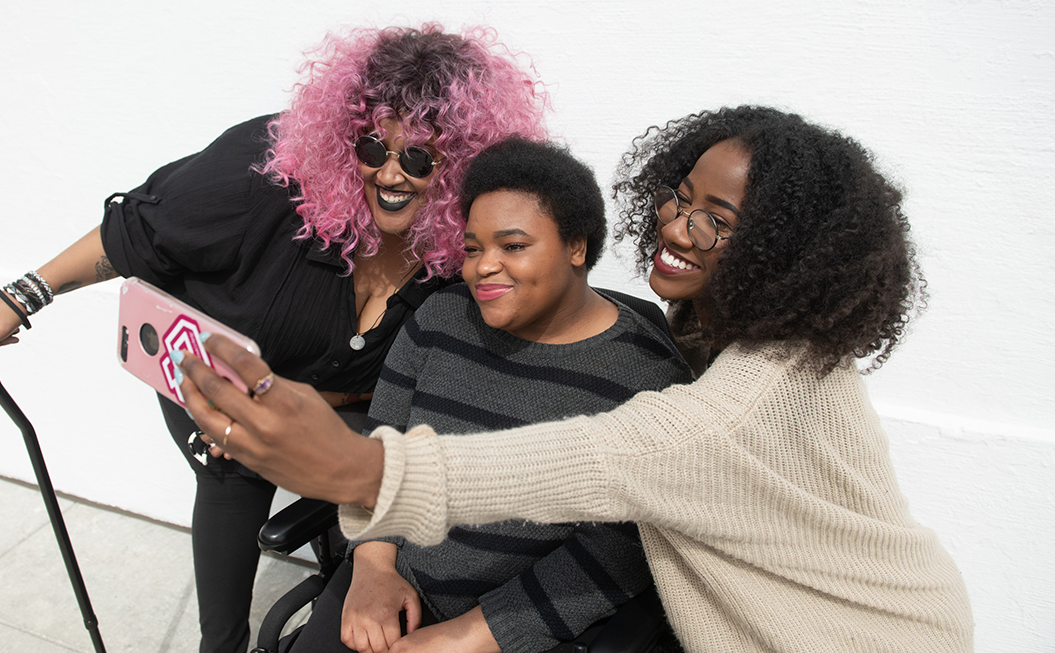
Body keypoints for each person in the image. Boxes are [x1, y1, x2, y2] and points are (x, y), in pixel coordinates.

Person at [174, 106, 975, 652]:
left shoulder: (728, 394)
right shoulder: (722, 328)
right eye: (681, 198)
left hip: (861, 630)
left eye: (718, 221)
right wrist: (374, 562)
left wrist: (359, 469)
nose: (676, 226)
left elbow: (595, 461)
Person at [0, 24, 548, 653]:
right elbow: (135, 233)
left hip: (348, 404)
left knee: (398, 467)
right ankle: (222, 646)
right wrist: (21, 295)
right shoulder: (264, 175)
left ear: (462, 164)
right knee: (231, 466)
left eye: (421, 158)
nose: (390, 173)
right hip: (216, 367)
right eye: (373, 147)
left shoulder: (468, 248)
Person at [277, 139, 690, 653]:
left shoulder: (646, 377)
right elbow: (382, 452)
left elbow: (619, 553)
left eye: (513, 247)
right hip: (390, 585)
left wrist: (469, 634)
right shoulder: (440, 320)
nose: (483, 267)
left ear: (577, 247)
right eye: (473, 248)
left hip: (514, 627)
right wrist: (373, 567)